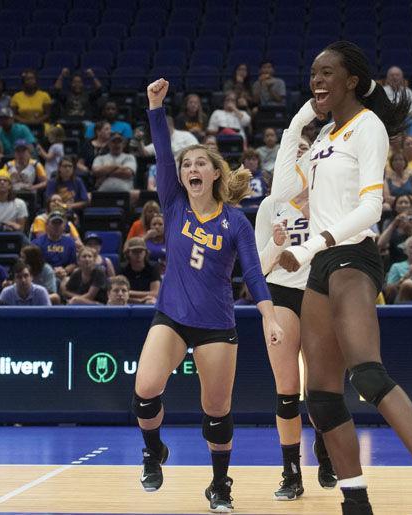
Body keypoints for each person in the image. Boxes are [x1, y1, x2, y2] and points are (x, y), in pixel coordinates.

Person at [270, 40, 412, 514]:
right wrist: (299, 123)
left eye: (327, 73)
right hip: (319, 268)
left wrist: (311, 246)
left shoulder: (368, 127)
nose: (316, 80)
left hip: (352, 256)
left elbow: (372, 208)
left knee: (368, 375)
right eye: (312, 73)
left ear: (351, 80)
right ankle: (356, 502)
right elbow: (284, 193)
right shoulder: (322, 139)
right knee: (322, 396)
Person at [134, 79, 282, 513]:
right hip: (172, 317)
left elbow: (254, 274)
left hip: (217, 324)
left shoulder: (235, 222)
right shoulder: (173, 203)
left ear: (215, 173)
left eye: (201, 163)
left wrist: (270, 317)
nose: (191, 169)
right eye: (186, 165)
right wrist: (155, 107)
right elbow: (163, 151)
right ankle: (152, 451)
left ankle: (220, 485)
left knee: (216, 410)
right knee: (145, 389)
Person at [255, 189, 338, 500]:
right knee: (287, 389)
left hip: (319, 292)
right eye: (297, 149)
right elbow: (259, 267)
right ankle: (291, 472)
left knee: (320, 388)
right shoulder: (271, 204)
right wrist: (277, 244)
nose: (301, 155)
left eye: (307, 149)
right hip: (280, 293)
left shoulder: (330, 197)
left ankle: (325, 448)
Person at [31, 211, 77, 280]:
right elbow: (34, 264)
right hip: (43, 277)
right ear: (47, 225)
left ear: (64, 226)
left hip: (64, 276)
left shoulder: (70, 242)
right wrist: (51, 272)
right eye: (54, 223)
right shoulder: (37, 243)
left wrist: (64, 271)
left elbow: (73, 263)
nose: (57, 226)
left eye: (59, 223)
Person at [121, 237, 161, 305]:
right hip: (128, 300)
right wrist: (139, 300)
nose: (138, 255)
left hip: (148, 300)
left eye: (141, 251)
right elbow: (120, 292)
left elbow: (155, 293)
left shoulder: (153, 267)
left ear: (145, 253)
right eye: (134, 252)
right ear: (128, 253)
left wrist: (129, 292)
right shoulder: (122, 268)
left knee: (151, 302)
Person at [383, 66, 412, 137]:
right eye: (392, 75)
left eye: (397, 75)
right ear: (387, 78)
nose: (394, 77)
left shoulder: (408, 92)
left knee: (411, 122)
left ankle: (410, 142)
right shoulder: (382, 91)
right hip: (387, 120)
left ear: (402, 78)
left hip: (404, 119)